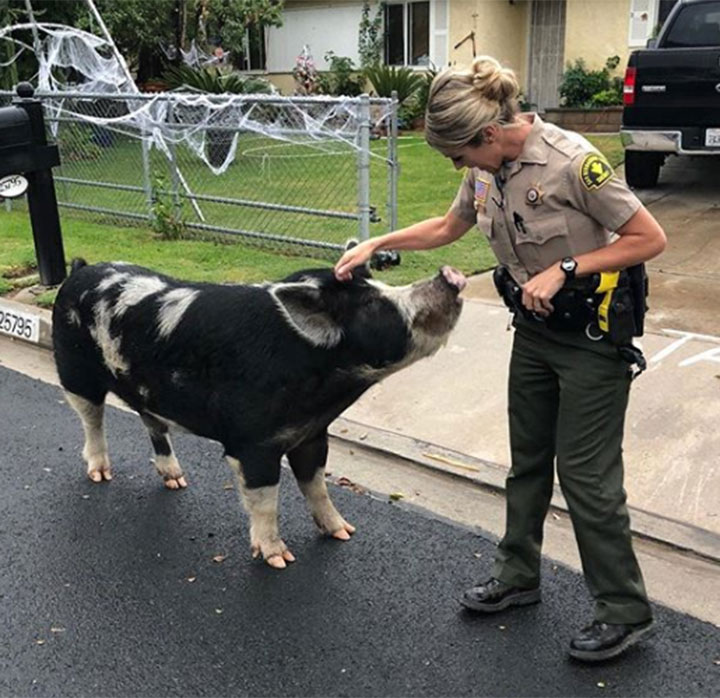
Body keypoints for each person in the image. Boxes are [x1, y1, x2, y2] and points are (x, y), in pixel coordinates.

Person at [334, 55, 666, 663]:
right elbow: (449, 225)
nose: (458, 167)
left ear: (488, 134)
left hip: (593, 339)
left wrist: (566, 268)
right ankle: (518, 577)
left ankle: (624, 612)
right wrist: (379, 242)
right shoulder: (488, 168)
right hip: (535, 334)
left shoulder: (571, 162)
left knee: (588, 481)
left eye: (460, 155)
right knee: (528, 463)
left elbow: (648, 239)